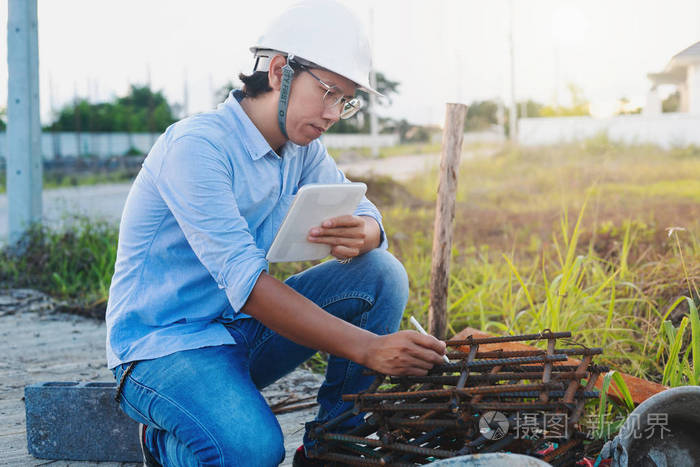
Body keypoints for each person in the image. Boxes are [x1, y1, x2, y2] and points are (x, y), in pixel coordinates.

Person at [106, 1, 447, 465]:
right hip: (164, 349)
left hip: (238, 334)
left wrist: (366, 231)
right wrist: (370, 349)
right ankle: (159, 441)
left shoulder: (301, 150)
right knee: (252, 452)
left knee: (379, 273)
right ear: (279, 70)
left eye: (345, 101)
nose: (332, 113)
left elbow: (365, 209)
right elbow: (247, 284)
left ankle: (334, 445)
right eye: (327, 92)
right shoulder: (196, 148)